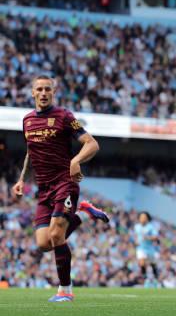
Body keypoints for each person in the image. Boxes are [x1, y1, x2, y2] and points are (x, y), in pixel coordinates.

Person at [12, 75, 109, 302]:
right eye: (39, 89)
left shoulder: (64, 117)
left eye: (48, 89)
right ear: (33, 93)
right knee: (44, 243)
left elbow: (92, 143)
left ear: (53, 93)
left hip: (65, 182)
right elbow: (30, 152)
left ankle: (65, 290)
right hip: (43, 189)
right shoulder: (27, 121)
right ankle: (82, 213)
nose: (44, 93)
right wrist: (21, 179)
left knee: (56, 234)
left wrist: (75, 161)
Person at [134, 211, 160, 285]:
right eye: (141, 217)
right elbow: (136, 236)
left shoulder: (151, 227)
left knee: (153, 264)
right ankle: (144, 277)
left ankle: (155, 276)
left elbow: (155, 237)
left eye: (144, 217)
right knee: (142, 262)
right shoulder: (136, 227)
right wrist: (136, 241)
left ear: (147, 219)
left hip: (150, 249)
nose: (142, 219)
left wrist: (148, 237)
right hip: (140, 248)